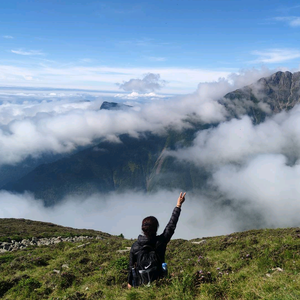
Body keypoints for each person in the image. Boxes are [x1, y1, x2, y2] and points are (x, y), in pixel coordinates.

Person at [127, 192, 186, 288]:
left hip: (141, 284)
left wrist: (130, 283)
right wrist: (178, 205)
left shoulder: (135, 246)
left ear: (142, 228)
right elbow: (171, 226)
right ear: (156, 228)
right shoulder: (161, 242)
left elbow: (131, 267)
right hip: (159, 283)